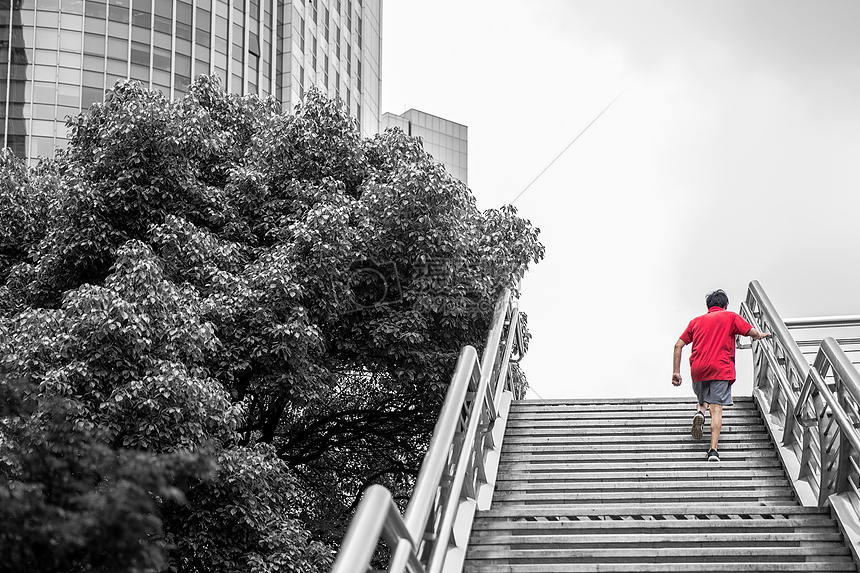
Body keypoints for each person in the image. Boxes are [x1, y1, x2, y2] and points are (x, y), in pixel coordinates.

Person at [672, 289, 770, 462]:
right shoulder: (730, 317)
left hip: (698, 368)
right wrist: (759, 335)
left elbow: (678, 345)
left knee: (703, 399)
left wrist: (676, 372)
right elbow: (751, 332)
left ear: (708, 306)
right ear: (725, 305)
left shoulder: (695, 321)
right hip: (721, 367)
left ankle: (700, 412)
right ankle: (713, 451)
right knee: (716, 409)